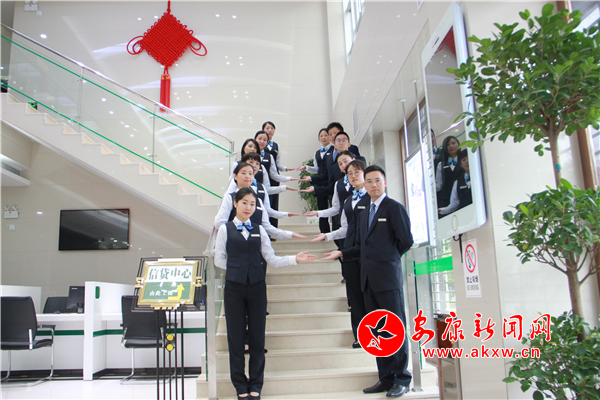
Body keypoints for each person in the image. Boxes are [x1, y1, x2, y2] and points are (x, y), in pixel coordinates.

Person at [214, 187, 317, 400]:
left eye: (252, 204)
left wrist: (294, 259)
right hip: (234, 289)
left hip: (257, 288)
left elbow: (271, 258)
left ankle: (256, 384)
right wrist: (238, 271)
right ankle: (240, 384)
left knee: (257, 337)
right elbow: (219, 259)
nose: (248, 207)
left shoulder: (259, 229)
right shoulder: (225, 229)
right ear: (235, 203)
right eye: (244, 203)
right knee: (235, 338)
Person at [322, 165, 413, 398]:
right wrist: (342, 252)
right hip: (368, 280)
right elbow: (361, 246)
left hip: (387, 279)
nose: (373, 185)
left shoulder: (394, 208)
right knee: (377, 331)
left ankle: (401, 378)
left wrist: (387, 259)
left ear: (385, 182)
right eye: (369, 181)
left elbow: (405, 241)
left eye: (377, 180)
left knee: (394, 328)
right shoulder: (363, 212)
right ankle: (385, 377)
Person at [311, 160, 369, 349]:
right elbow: (344, 229)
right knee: (355, 296)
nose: (353, 176)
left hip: (369, 254)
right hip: (350, 252)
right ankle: (360, 335)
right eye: (349, 173)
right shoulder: (348, 200)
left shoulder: (373, 197)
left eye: (356, 172)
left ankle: (375, 334)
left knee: (370, 294)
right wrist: (327, 235)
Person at [214, 163, 306, 241]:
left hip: (255, 243)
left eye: (250, 173)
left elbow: (267, 226)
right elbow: (219, 222)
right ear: (235, 176)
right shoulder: (230, 198)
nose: (247, 176)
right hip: (234, 243)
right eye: (243, 173)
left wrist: (288, 234)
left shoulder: (258, 200)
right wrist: (234, 234)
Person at [254, 130, 298, 229]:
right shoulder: (248, 157)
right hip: (249, 191)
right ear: (255, 139)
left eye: (265, 140)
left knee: (267, 212)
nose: (262, 141)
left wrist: (289, 179)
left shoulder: (269, 157)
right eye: (259, 139)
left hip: (264, 190)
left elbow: (274, 175)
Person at [295, 128, 334, 233]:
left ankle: (336, 230)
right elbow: (316, 169)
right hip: (320, 183)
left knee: (333, 206)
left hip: (330, 182)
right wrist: (306, 167)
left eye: (325, 135)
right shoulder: (317, 153)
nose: (323, 137)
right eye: (321, 136)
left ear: (330, 137)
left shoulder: (334, 150)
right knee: (321, 208)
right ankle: (324, 231)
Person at [438, 149, 472, 216]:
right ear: (460, 164)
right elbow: (454, 204)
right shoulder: (457, 183)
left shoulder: (478, 178)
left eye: (469, 158)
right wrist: (441, 210)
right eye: (464, 160)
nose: (467, 161)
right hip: (464, 216)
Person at [435, 135, 462, 209]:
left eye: (453, 143)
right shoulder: (441, 164)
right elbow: (439, 184)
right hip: (446, 199)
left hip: (462, 196)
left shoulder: (464, 160)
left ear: (458, 144)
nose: (451, 146)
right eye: (448, 145)